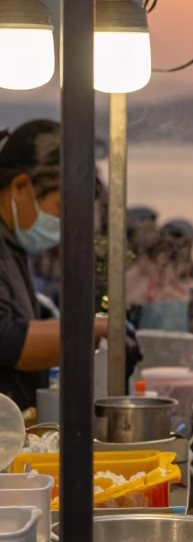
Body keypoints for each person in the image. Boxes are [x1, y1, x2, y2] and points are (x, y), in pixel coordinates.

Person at [0, 120, 107, 411]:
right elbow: (6, 340)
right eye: (60, 208)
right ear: (20, 186)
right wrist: (99, 330)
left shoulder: (13, 244)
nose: (63, 224)